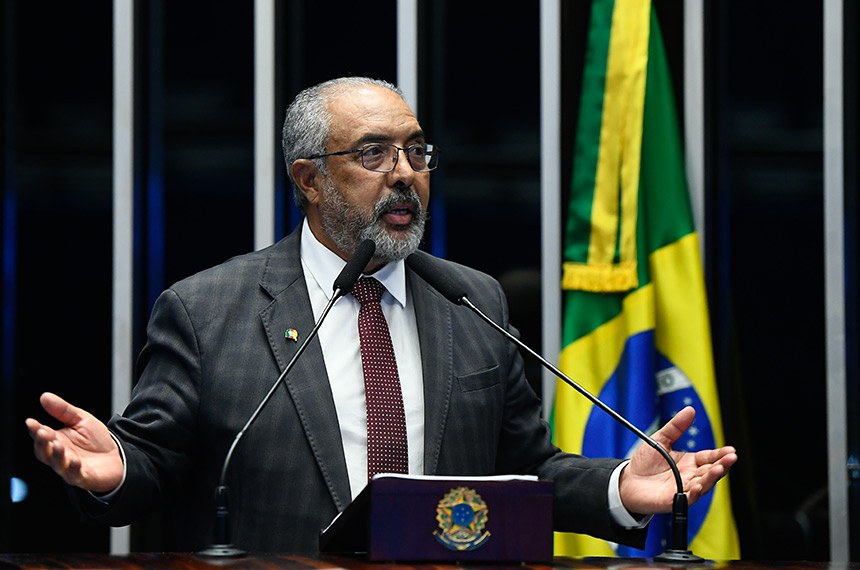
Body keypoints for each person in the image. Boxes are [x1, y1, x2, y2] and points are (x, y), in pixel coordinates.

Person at [25, 76, 737, 554]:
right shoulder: (208, 309)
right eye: (373, 153)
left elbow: (526, 470)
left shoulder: (472, 300)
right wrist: (115, 468)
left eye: (416, 150)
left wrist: (621, 487)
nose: (404, 172)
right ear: (309, 178)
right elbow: (159, 466)